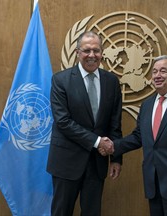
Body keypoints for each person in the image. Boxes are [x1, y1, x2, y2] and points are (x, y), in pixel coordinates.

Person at [99, 55, 167, 216]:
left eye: (163, 71)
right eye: (154, 72)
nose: (157, 75)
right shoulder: (147, 105)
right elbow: (138, 137)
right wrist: (113, 147)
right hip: (153, 184)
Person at [47, 31, 122, 216]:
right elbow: (63, 122)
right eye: (86, 50)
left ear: (102, 52)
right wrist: (98, 142)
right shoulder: (60, 80)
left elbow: (115, 122)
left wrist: (116, 158)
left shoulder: (112, 81)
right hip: (66, 162)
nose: (91, 55)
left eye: (96, 50)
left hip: (97, 164)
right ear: (77, 52)